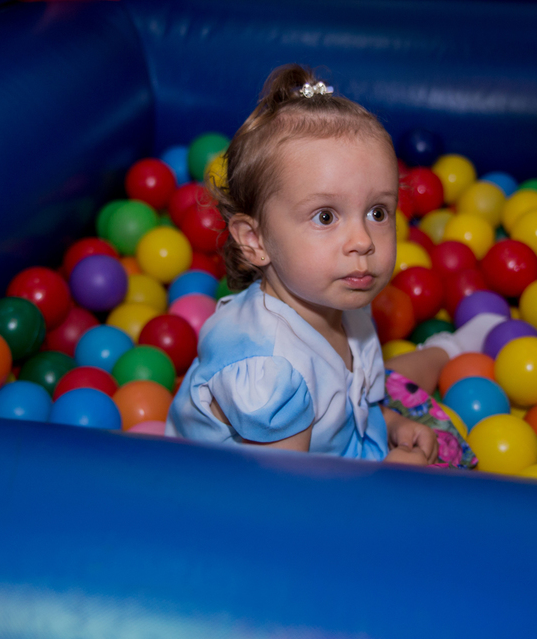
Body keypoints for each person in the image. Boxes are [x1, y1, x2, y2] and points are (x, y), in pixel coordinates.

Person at [166, 65, 496, 468]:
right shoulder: (270, 373)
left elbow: (354, 401)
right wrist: (389, 481)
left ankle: (448, 348)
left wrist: (391, 424)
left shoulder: (335, 289)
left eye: (377, 212)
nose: (362, 241)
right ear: (255, 240)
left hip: (346, 443)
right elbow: (288, 510)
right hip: (256, 496)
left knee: (397, 392)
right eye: (325, 217)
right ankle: (448, 350)